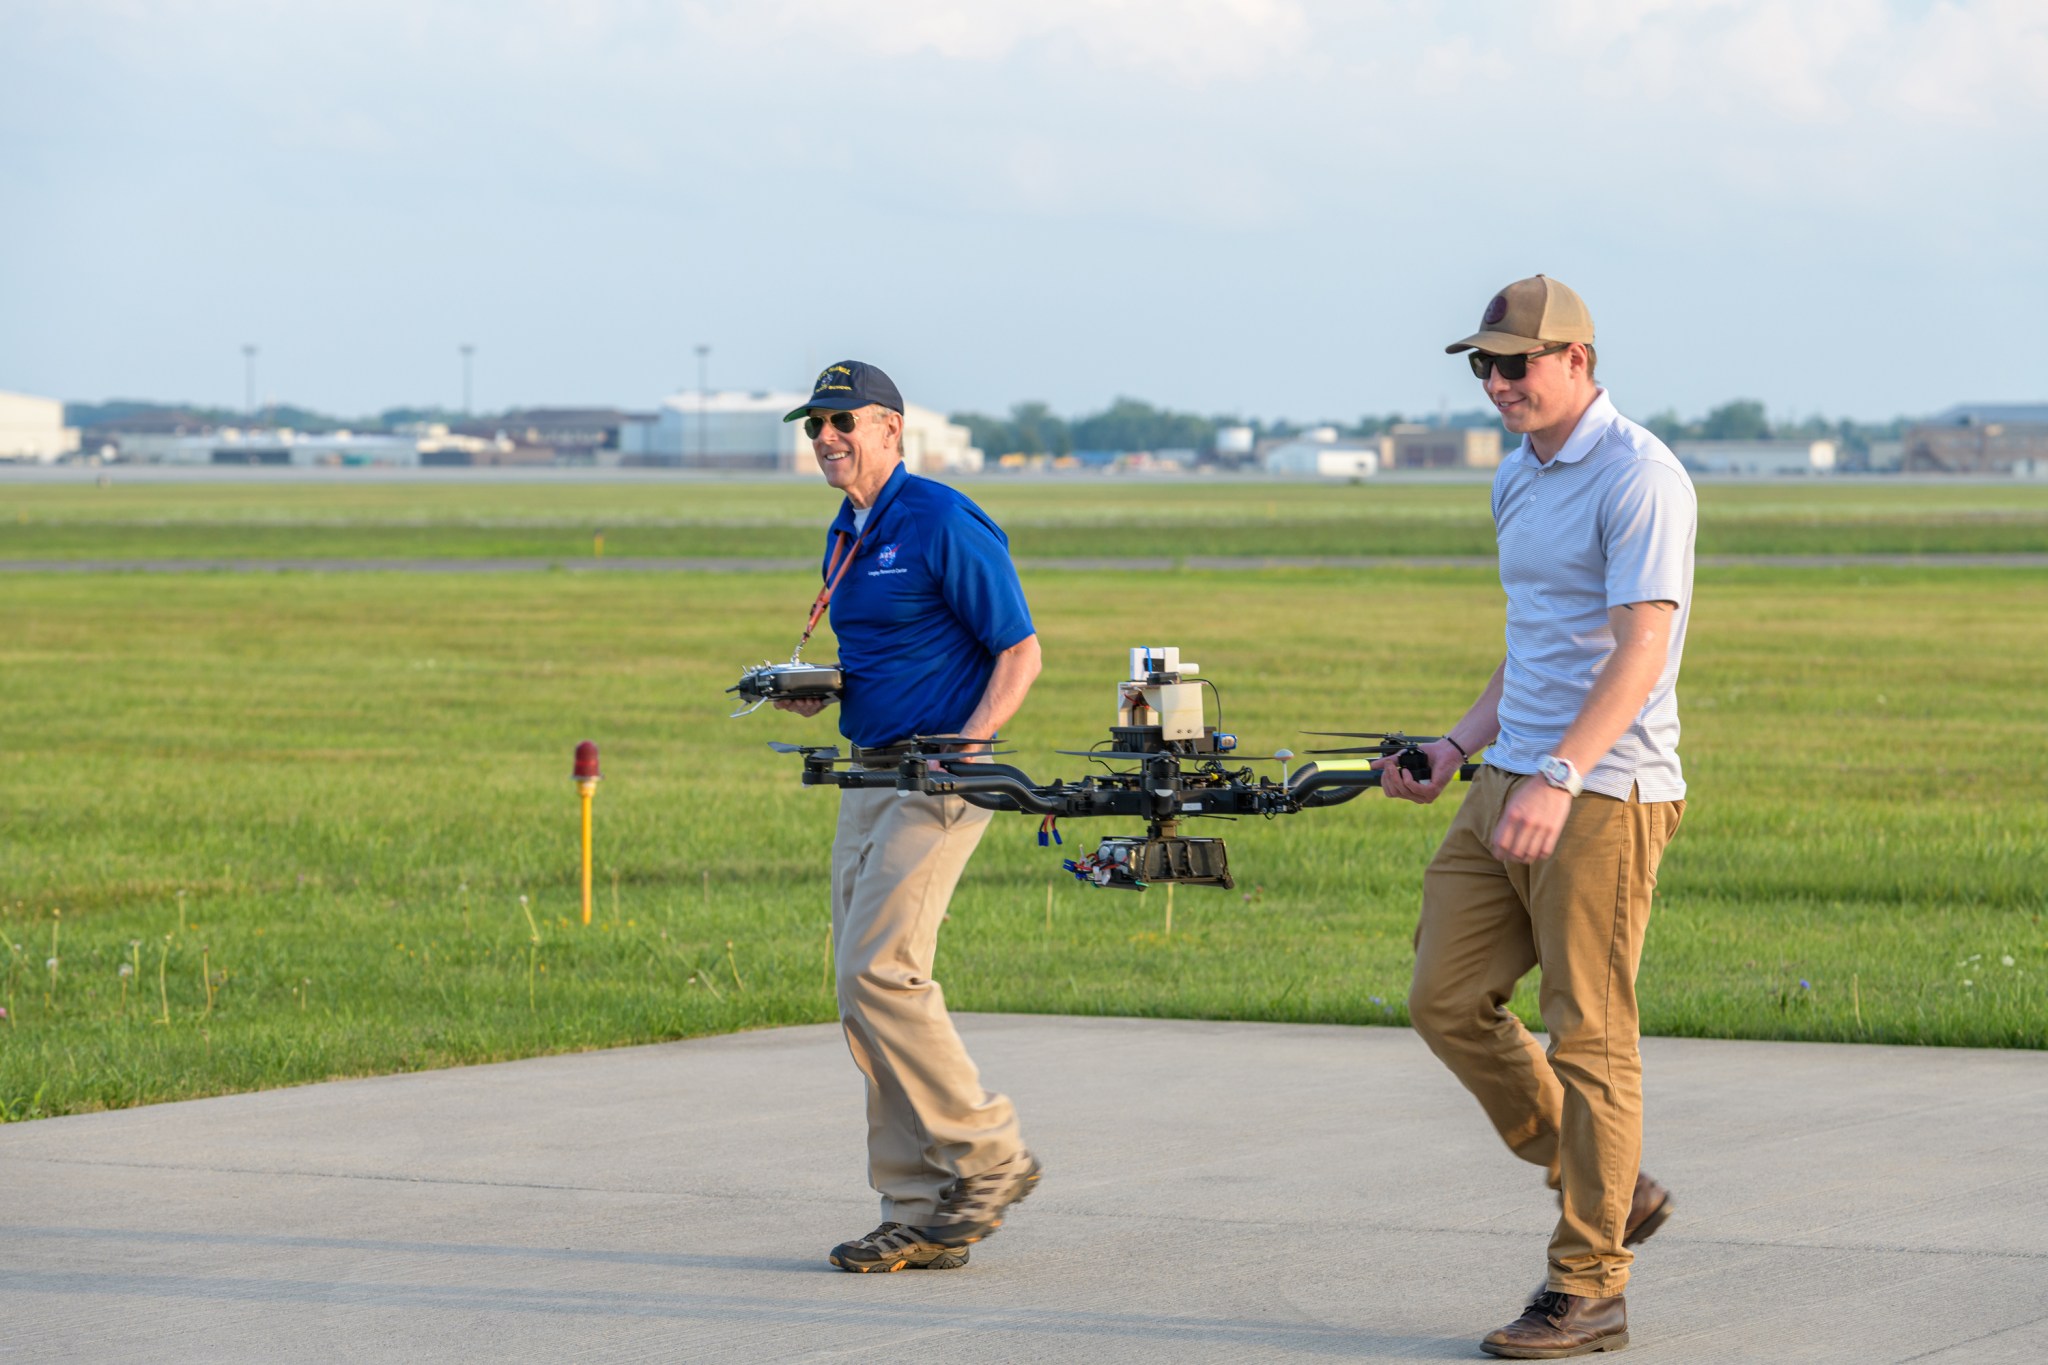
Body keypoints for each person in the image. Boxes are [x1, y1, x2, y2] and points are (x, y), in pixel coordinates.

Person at [1379, 277, 1695, 1358]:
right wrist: (1457, 745)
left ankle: (1588, 1283)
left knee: (1586, 1033)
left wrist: (1560, 774)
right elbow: (1535, 644)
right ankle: (1597, 1175)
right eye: (1484, 366)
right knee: (1442, 997)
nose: (1498, 384)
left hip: (1602, 789)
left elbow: (1636, 649)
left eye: (1517, 364)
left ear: (1577, 359)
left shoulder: (1638, 475)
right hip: (1509, 774)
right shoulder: (1518, 475)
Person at [772, 360, 1044, 1273]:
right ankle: (918, 1208)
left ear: (892, 427)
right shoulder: (846, 532)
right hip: (870, 774)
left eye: (843, 421)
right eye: (815, 426)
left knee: (880, 971)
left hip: (940, 776)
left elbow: (1020, 652)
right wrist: (826, 688)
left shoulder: (940, 517)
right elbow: (891, 649)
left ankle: (989, 1153)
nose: (827, 438)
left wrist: (968, 747)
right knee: (862, 992)